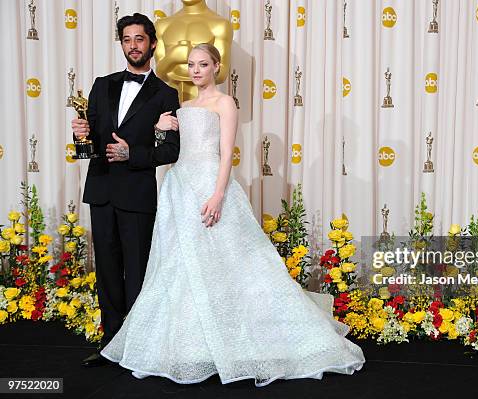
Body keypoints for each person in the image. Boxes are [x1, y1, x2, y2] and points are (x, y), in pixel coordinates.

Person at [99, 43, 365, 386]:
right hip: (179, 187)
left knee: (231, 264)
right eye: (192, 64)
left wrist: (218, 194)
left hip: (211, 185)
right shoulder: (183, 106)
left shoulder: (226, 103)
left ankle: (240, 340)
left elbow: (226, 155)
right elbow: (170, 149)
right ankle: (189, 347)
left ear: (216, 67)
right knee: (178, 265)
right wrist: (160, 128)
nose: (196, 70)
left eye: (203, 64)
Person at [71, 13, 181, 367]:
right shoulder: (102, 85)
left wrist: (133, 154)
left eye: (139, 39)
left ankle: (138, 347)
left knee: (136, 272)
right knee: (106, 270)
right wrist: (81, 138)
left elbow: (170, 150)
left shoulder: (166, 94)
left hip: (137, 195)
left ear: (152, 43)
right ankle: (110, 345)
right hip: (101, 190)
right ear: (121, 44)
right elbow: (88, 147)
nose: (132, 45)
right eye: (126, 39)